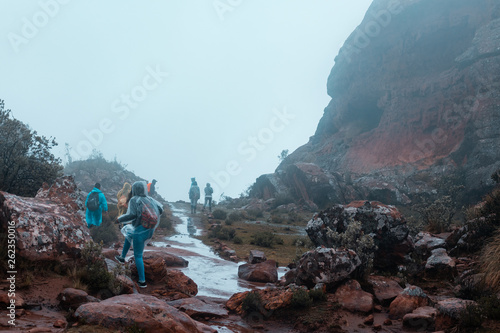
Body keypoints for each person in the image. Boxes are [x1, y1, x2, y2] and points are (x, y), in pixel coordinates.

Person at [115, 181, 163, 288]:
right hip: (149, 230)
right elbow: (160, 209)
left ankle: (142, 281)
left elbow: (131, 215)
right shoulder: (150, 199)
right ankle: (122, 257)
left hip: (140, 231)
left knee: (138, 255)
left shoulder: (134, 199)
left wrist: (119, 219)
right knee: (129, 234)